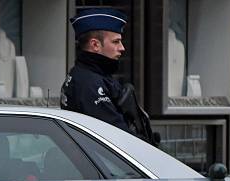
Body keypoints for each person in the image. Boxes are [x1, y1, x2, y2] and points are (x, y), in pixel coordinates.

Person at [61, 8, 159, 146]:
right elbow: (118, 136)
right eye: (115, 42)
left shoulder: (88, 75)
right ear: (95, 45)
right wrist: (147, 148)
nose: (122, 48)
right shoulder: (90, 84)